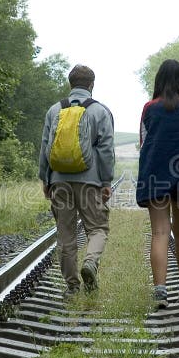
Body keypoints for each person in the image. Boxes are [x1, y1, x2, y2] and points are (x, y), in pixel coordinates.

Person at [39, 64, 115, 298]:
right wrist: (105, 181)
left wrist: (45, 178)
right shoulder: (100, 111)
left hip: (59, 181)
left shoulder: (54, 110)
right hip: (90, 181)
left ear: (70, 84)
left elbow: (45, 146)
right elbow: (105, 150)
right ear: (91, 85)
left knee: (66, 234)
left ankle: (72, 287)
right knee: (98, 228)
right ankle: (90, 263)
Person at [136, 59, 179, 308]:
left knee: (160, 232)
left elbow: (143, 144)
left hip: (156, 177)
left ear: (159, 80)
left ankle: (160, 291)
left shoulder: (149, 108)